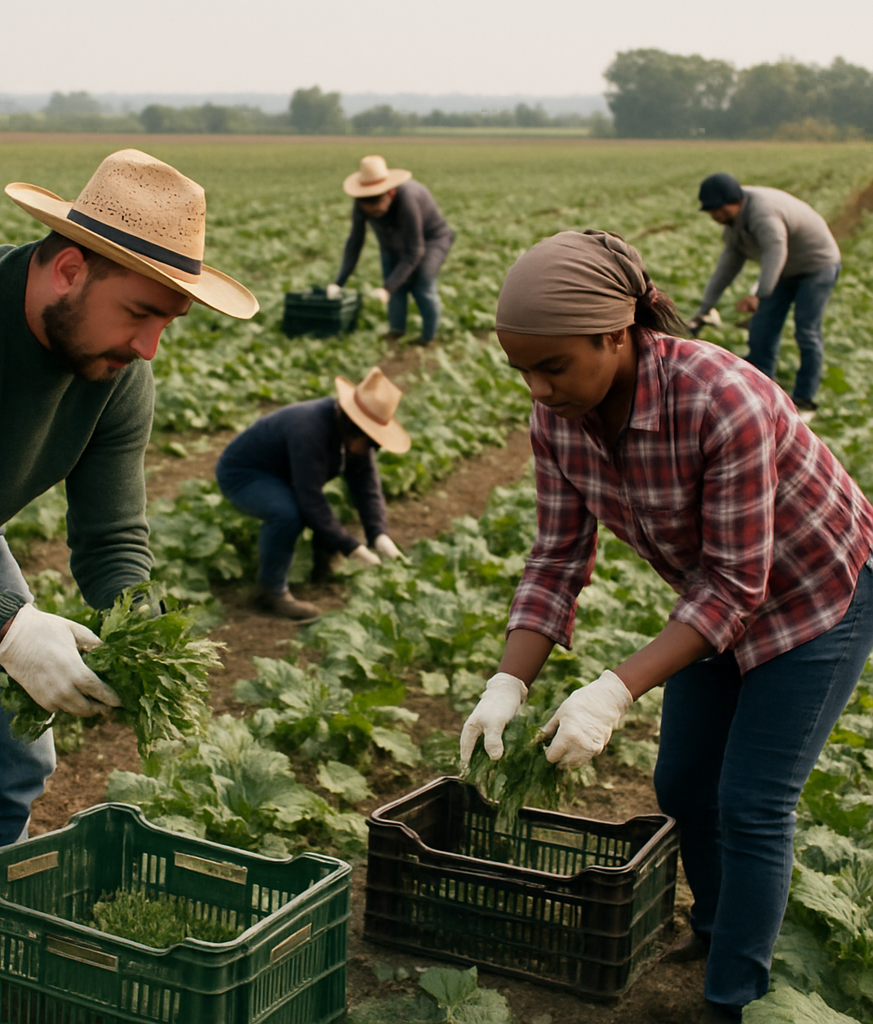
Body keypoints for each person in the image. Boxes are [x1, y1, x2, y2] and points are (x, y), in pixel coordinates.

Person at [0, 149, 257, 994]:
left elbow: (111, 537)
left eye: (168, 322)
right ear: (69, 268)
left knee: (13, 763)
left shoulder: (118, 375)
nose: (149, 345)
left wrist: (143, 630)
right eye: (140, 312)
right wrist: (7, 628)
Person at [458, 229, 873, 1023]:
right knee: (683, 783)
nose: (538, 390)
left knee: (753, 803)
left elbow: (737, 584)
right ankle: (715, 927)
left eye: (553, 366)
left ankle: (734, 1000)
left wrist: (614, 690)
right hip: (712, 600)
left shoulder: (723, 400)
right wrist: (508, 680)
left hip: (817, 597)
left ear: (615, 335)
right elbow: (557, 556)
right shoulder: (559, 420)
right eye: (522, 371)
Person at [215, 368, 410, 621]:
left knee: (313, 509)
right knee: (288, 513)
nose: (373, 449)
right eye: (372, 442)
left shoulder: (350, 439)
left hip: (284, 474)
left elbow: (367, 487)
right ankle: (270, 592)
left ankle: (322, 566)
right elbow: (310, 497)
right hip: (244, 474)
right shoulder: (310, 429)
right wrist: (352, 548)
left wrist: (379, 534)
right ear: (355, 427)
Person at [688, 172, 841, 415]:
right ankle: (758, 391)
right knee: (762, 327)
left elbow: (776, 250)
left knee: (807, 331)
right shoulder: (734, 227)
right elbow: (725, 270)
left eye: (716, 210)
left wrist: (759, 295)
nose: (713, 216)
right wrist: (704, 309)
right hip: (784, 271)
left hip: (817, 267)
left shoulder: (763, 213)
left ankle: (805, 399)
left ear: (732, 203)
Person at [327, 155, 454, 346]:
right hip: (393, 243)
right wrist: (339, 282)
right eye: (367, 206)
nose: (373, 211)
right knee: (395, 286)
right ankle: (396, 331)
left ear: (390, 193)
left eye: (377, 206)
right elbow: (355, 241)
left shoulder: (408, 199)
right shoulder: (361, 204)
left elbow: (415, 250)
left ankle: (428, 338)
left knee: (423, 285)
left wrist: (387, 288)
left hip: (431, 241)